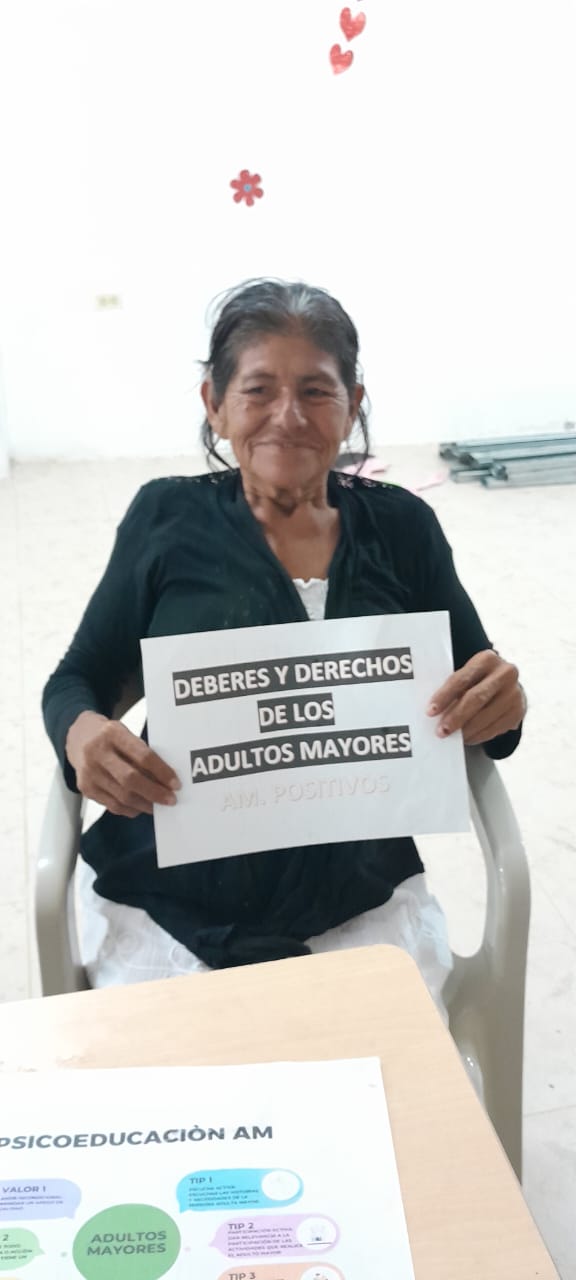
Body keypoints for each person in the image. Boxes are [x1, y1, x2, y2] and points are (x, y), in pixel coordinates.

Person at [42, 279, 526, 997]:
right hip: (169, 898)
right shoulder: (166, 519)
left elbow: (486, 704)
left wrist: (502, 701)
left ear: (353, 405)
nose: (288, 417)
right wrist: (81, 732)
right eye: (259, 390)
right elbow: (78, 678)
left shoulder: (402, 527)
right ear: (215, 404)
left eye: (317, 391)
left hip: (354, 900)